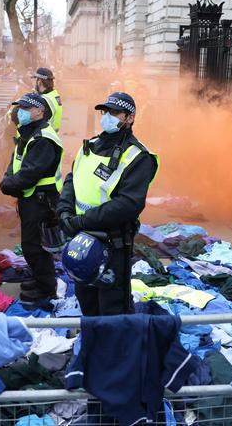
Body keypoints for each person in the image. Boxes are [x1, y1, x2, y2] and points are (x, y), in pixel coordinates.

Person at [57, 92, 159, 316]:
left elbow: (128, 204)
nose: (107, 117)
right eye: (105, 111)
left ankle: (114, 350)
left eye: (115, 112)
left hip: (112, 243)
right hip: (81, 237)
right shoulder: (91, 145)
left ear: (130, 118)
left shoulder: (138, 156)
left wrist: (80, 221)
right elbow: (72, 179)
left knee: (113, 309)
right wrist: (63, 212)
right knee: (87, 302)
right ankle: (93, 347)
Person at [0, 92, 64, 302]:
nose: (21, 112)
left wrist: (7, 184)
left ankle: (46, 289)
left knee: (36, 247)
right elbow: (15, 162)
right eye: (21, 108)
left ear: (39, 111)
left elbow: (29, 173)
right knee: (30, 245)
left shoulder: (43, 139)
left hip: (41, 201)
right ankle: (39, 279)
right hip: (31, 199)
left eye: (26, 108)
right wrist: (9, 179)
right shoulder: (27, 134)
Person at [32, 67, 63, 133]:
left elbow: (32, 122)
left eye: (35, 79)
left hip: (41, 138)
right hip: (51, 136)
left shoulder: (43, 101)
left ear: (39, 82)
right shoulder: (54, 94)